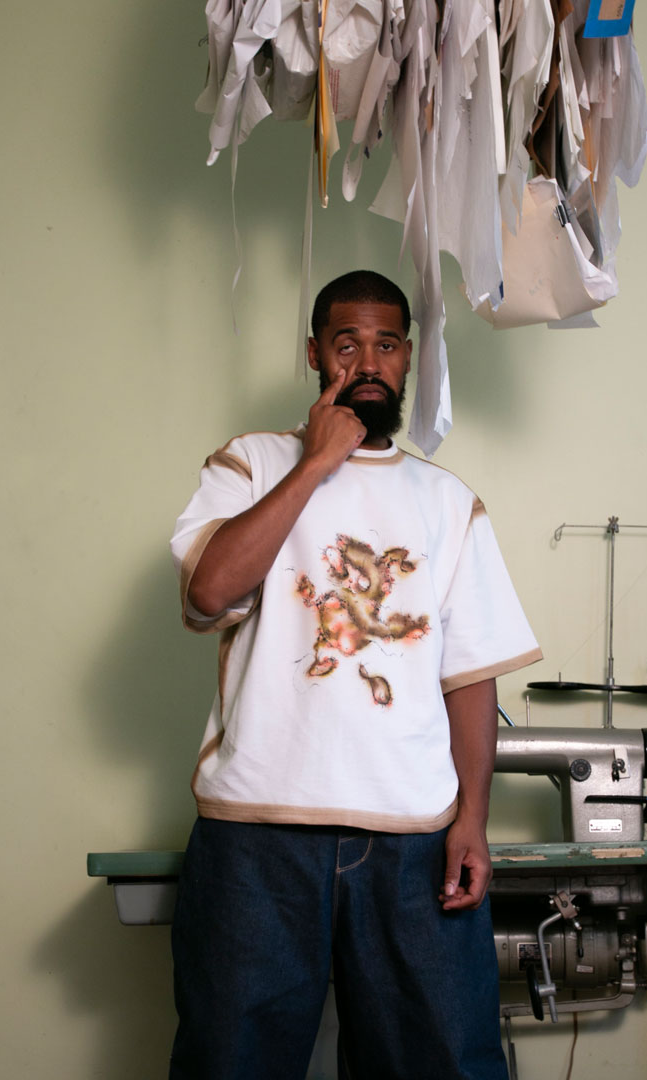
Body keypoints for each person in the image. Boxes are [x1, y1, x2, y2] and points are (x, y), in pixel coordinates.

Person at [167, 270, 542, 1079]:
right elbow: (208, 591)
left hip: (411, 838)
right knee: (229, 1063)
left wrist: (472, 819)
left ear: (408, 359)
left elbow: (469, 679)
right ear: (314, 354)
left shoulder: (448, 503)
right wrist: (315, 463)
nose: (367, 361)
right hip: (257, 834)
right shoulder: (252, 464)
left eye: (386, 344)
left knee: (443, 1063)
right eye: (346, 344)